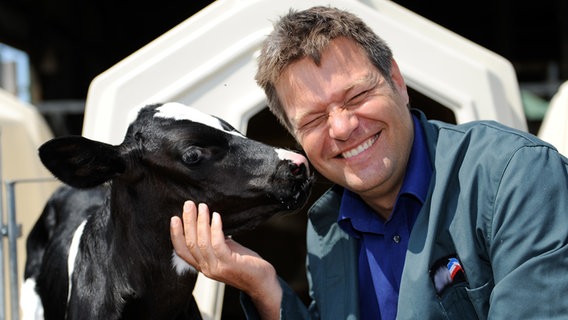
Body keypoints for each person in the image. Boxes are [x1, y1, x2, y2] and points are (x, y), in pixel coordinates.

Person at [170, 6, 568, 320]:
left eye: (356, 96)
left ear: (397, 80)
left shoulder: (515, 176)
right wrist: (261, 283)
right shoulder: (327, 228)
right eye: (313, 119)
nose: (342, 127)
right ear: (297, 138)